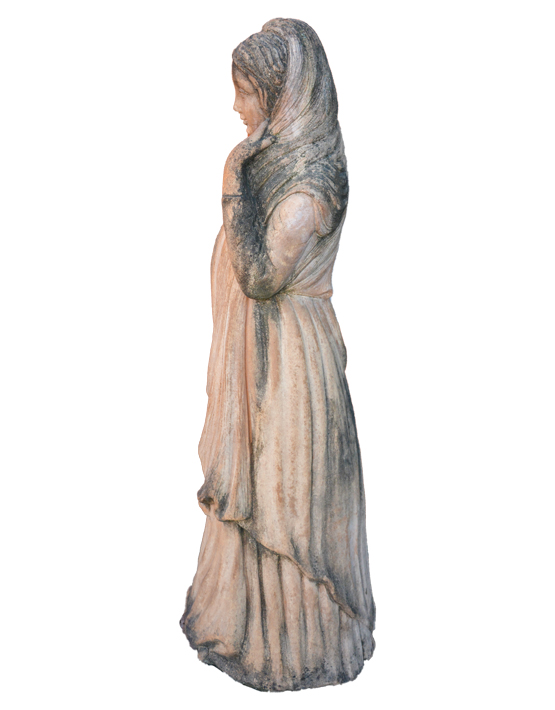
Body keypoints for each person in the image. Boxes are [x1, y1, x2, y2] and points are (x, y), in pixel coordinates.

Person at [181, 18, 376, 691]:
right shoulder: (275, 164)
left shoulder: (312, 184)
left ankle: (298, 644)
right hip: (254, 361)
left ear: (278, 95)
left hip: (290, 366)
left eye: (245, 92)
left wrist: (232, 174)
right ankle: (248, 625)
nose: (236, 107)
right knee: (261, 488)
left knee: (287, 498)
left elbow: (261, 276)